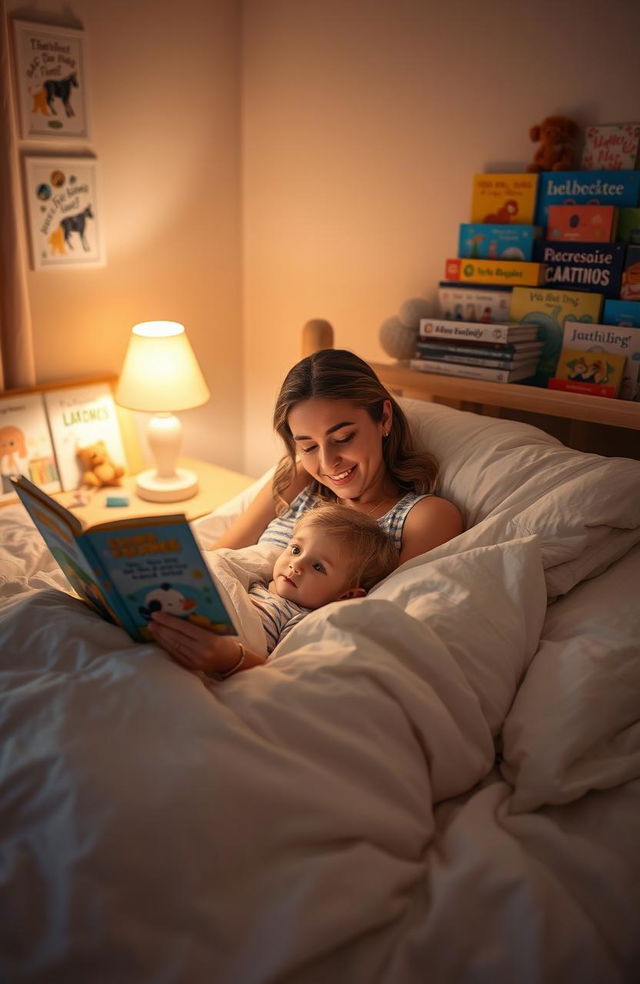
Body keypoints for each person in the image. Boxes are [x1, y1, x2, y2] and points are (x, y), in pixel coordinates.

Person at [148, 348, 463, 676]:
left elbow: (375, 641)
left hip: (265, 663)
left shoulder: (423, 518)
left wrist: (233, 659)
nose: (327, 463)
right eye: (308, 446)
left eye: (342, 437)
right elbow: (221, 555)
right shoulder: (299, 477)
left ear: (384, 418)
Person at [150, 502, 399, 679]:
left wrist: (228, 658)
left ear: (345, 596)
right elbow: (222, 572)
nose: (296, 564)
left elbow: (278, 674)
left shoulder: (300, 619)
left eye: (318, 567)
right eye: (295, 550)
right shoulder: (256, 582)